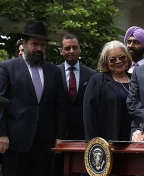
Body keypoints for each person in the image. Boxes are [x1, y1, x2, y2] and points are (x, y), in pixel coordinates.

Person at [0, 20, 66, 176]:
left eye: (42, 45)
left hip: (44, 144)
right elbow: (0, 104)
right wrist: (1, 134)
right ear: (24, 43)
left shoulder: (54, 71)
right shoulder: (7, 68)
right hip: (15, 143)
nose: (39, 48)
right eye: (35, 44)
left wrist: (59, 137)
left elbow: (61, 106)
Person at [53, 33, 96, 176]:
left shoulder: (92, 75)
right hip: (58, 136)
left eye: (74, 47)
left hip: (84, 135)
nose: (71, 51)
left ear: (79, 49)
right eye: (67, 48)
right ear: (61, 51)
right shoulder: (53, 73)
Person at [83, 40, 133, 141]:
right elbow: (89, 115)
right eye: (112, 59)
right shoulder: (97, 80)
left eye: (122, 57)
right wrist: (94, 143)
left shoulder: (136, 79)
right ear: (106, 62)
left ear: (127, 58)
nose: (118, 61)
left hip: (134, 139)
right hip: (108, 141)